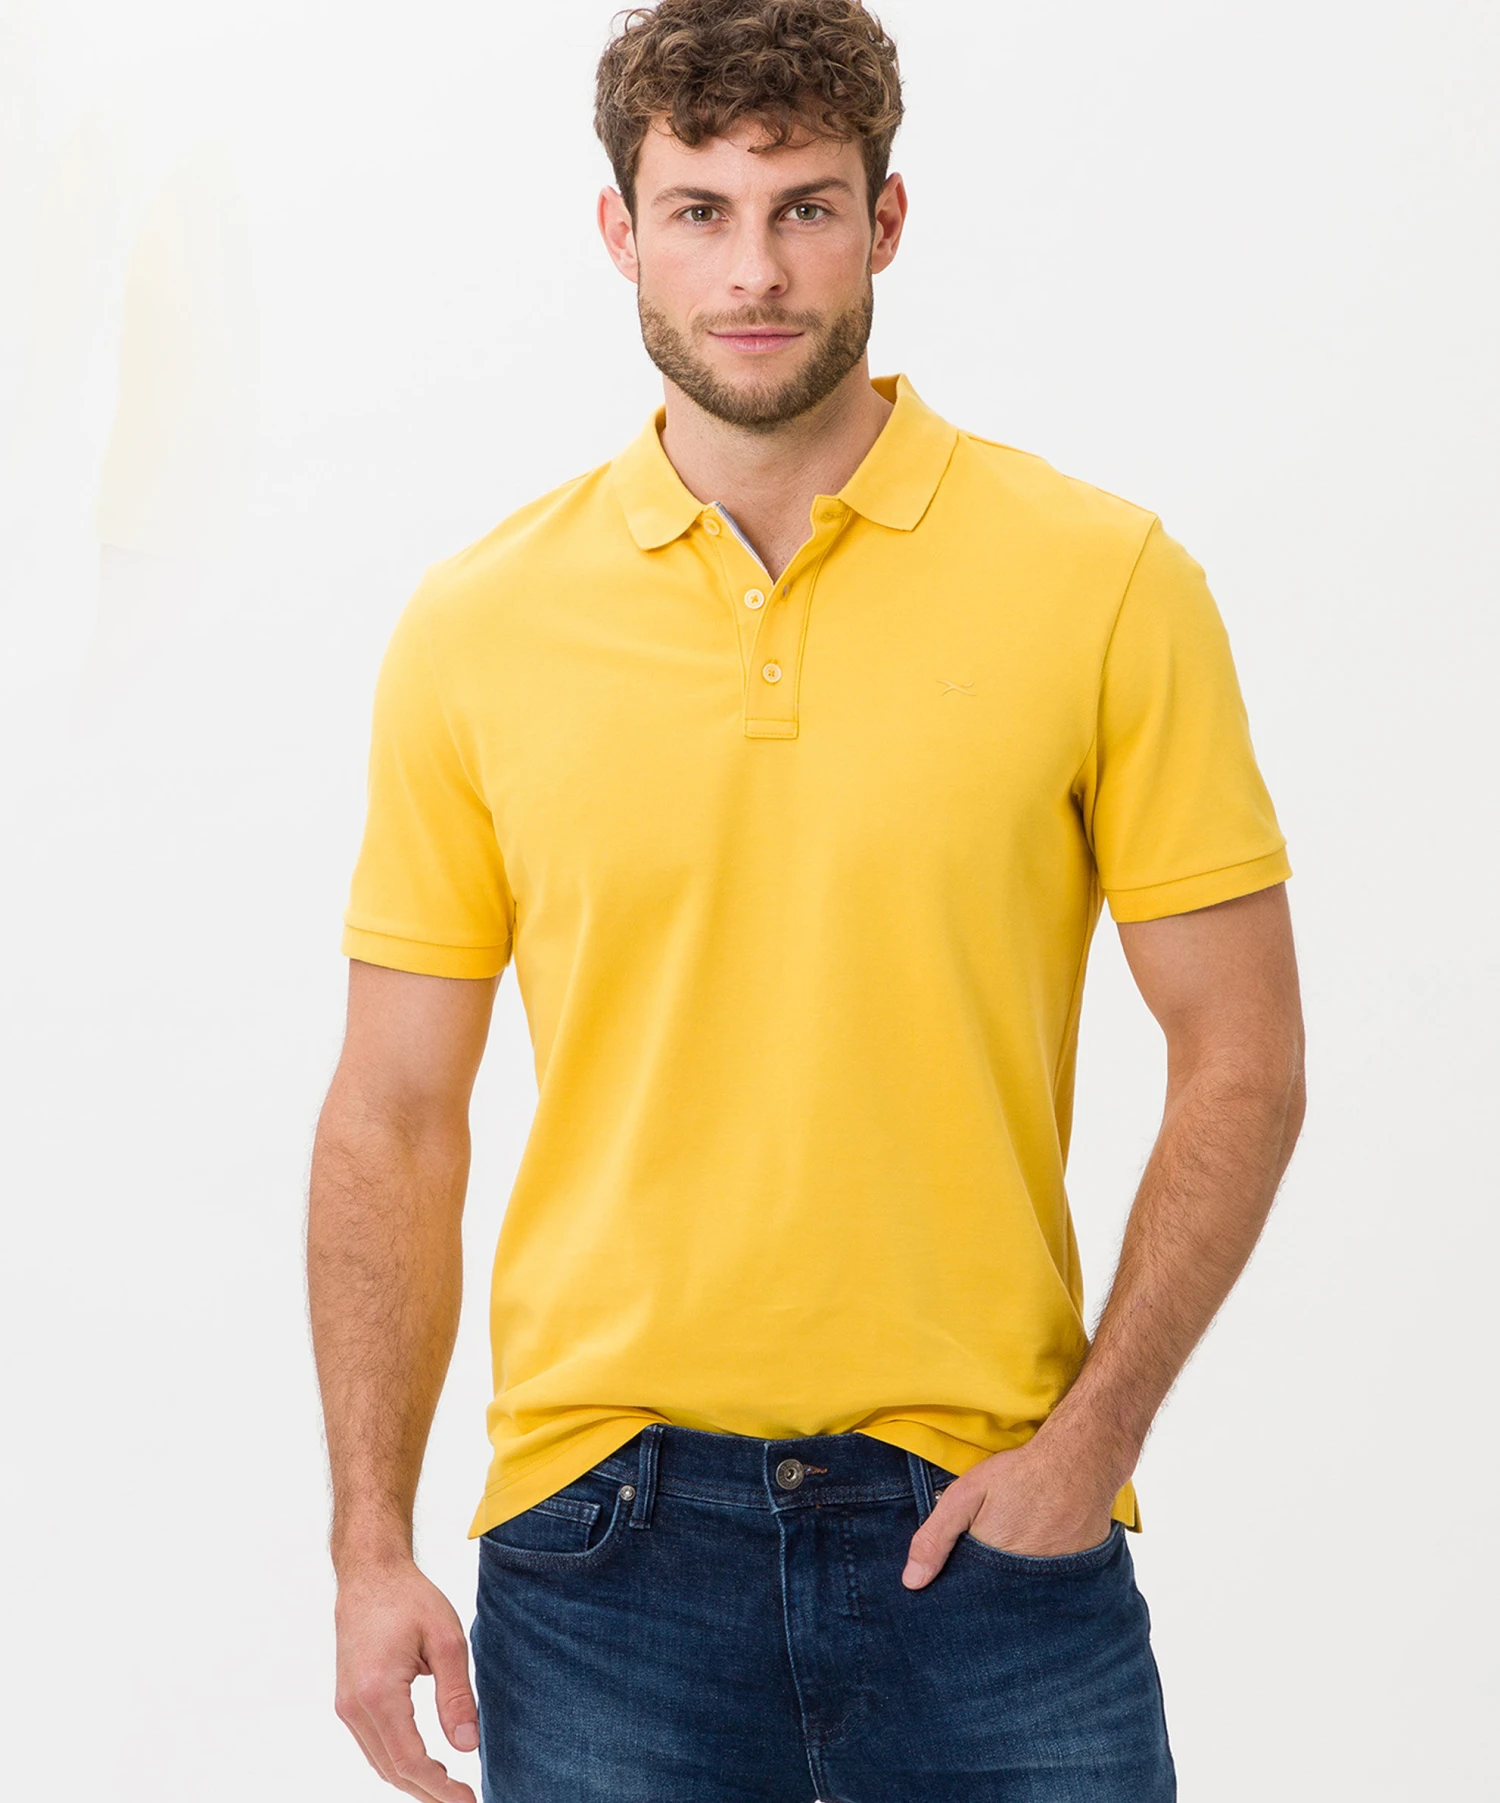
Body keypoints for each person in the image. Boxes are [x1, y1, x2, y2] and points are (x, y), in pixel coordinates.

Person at [307, 3, 1307, 1799]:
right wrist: (367, 1546)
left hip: (991, 1530)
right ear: (619, 231)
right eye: (699, 210)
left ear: (886, 220)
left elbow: (1244, 1053)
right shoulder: (477, 629)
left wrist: (1091, 1443)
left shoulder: (1105, 583)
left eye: (806, 209)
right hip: (600, 1554)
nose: (754, 270)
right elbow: (392, 1112)